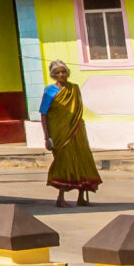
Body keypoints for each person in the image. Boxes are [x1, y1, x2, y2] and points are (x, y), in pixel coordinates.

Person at [39, 60, 101, 205]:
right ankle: (60, 198)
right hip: (59, 133)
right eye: (57, 73)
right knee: (64, 162)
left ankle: (81, 198)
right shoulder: (49, 91)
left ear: (67, 73)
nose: (61, 74)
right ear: (53, 75)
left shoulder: (74, 88)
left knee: (82, 160)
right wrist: (46, 137)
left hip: (76, 130)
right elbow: (44, 114)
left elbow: (77, 110)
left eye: (63, 71)